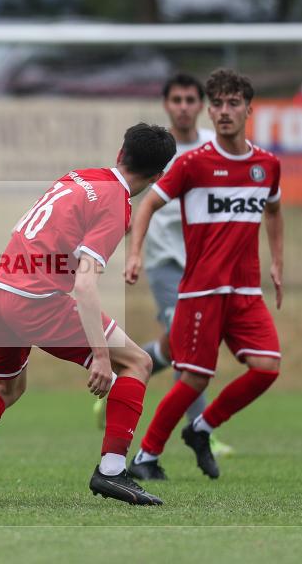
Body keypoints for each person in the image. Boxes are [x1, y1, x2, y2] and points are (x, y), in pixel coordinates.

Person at [0, 123, 176, 507]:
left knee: (9, 388)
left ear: (120, 154)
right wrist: (101, 356)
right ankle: (112, 470)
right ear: (159, 176)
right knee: (137, 362)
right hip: (37, 301)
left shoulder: (79, 176)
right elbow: (85, 285)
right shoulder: (115, 202)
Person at [125, 69, 284, 481]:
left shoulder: (267, 165)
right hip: (201, 291)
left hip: (245, 291)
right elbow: (147, 205)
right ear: (209, 112)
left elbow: (274, 210)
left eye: (233, 103)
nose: (224, 111)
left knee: (267, 366)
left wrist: (277, 262)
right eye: (217, 104)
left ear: (249, 109)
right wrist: (135, 253)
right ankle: (145, 456)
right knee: (194, 377)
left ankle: (202, 427)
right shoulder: (193, 164)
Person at [94, 73, 234, 457]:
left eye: (191, 100)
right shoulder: (157, 151)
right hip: (165, 260)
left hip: (206, 264)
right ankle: (200, 431)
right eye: (177, 100)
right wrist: (135, 252)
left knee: (175, 348)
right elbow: (139, 203)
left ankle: (127, 373)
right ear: (167, 105)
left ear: (201, 105)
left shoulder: (215, 147)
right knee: (189, 345)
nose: (184, 107)